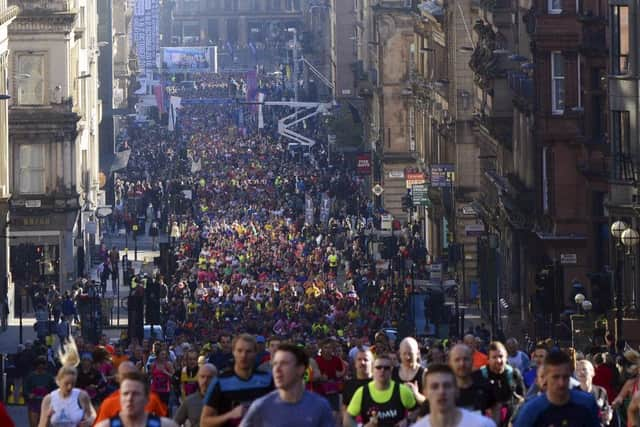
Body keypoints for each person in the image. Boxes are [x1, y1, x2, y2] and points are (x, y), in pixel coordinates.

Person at [240, 343, 334, 426]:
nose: (277, 370)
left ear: (300, 369)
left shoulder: (320, 406)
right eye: (275, 364)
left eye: (284, 363)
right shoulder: (260, 406)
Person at [200, 334, 274, 427]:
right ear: (233, 352)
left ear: (255, 353)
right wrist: (229, 415)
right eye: (240, 351)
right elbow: (204, 422)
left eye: (248, 351)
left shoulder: (267, 380)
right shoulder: (219, 382)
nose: (244, 355)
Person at [512, 350, 600, 427]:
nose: (561, 383)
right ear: (546, 377)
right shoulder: (531, 410)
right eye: (555, 377)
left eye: (565, 377)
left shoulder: (587, 403)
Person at [412, 364, 496, 427]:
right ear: (425, 392)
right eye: (435, 387)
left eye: (447, 386)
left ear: (456, 390)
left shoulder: (483, 425)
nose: (441, 391)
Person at [37, 337, 96, 427]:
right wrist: (48, 417)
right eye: (66, 384)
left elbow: (93, 416)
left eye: (73, 384)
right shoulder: (49, 399)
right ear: (58, 381)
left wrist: (88, 421)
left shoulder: (81, 396)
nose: (69, 387)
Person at [345, 353, 417, 427]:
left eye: (386, 368)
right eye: (378, 367)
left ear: (391, 370)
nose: (382, 370)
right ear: (373, 369)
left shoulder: (402, 390)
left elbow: (417, 411)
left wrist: (407, 420)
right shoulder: (362, 392)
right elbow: (348, 417)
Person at [95, 371, 177, 427]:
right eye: (125, 394)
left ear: (147, 398)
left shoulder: (166, 425)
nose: (130, 398)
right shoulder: (105, 426)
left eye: (136, 394)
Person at [473, 341, 525, 427]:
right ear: (488, 359)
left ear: (506, 357)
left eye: (501, 356)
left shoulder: (514, 374)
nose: (498, 360)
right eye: (494, 357)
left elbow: (522, 398)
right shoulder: (479, 376)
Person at [448, 343, 495, 415]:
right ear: (450, 363)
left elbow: (496, 409)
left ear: (472, 361)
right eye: (457, 360)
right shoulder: (444, 390)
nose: (462, 364)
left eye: (466, 359)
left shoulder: (485, 387)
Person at [574, 360, 612, 426]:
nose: (581, 372)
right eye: (578, 370)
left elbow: (605, 413)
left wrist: (607, 416)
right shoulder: (572, 393)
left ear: (592, 372)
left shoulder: (601, 391)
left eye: (584, 369)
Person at [393, 337, 427, 404]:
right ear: (400, 354)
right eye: (404, 353)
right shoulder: (393, 372)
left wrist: (416, 394)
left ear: (417, 353)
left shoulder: (424, 373)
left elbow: (430, 402)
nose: (407, 357)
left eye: (410, 354)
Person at [25, 356, 56, 427]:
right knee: (34, 424)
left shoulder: (49, 377)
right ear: (36, 366)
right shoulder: (30, 376)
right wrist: (29, 394)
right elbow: (25, 389)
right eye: (39, 365)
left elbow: (55, 389)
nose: (41, 367)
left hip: (46, 403)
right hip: (34, 403)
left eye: (43, 365)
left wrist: (51, 395)